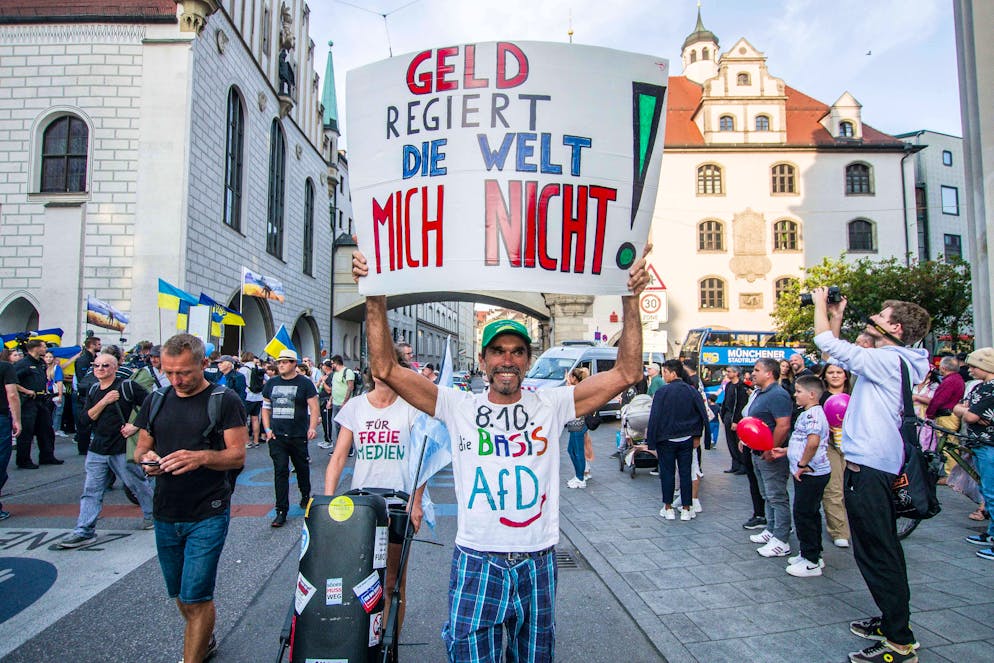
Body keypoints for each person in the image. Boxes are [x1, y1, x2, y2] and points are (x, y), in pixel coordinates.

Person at [352, 245, 649, 662]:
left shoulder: (552, 404)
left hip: (537, 560)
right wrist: (375, 294)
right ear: (483, 358)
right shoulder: (458, 407)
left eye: (516, 351)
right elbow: (385, 368)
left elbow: (627, 372)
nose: (507, 360)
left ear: (527, 360)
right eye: (498, 351)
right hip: (478, 560)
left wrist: (630, 298)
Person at [813, 287, 930, 663]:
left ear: (894, 326)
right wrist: (836, 314)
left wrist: (819, 305)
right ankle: (891, 620)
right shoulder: (896, 359)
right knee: (881, 550)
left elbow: (825, 343)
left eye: (881, 315)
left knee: (878, 554)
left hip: (871, 470)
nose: (875, 317)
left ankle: (899, 641)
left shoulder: (890, 359)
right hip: (876, 466)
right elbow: (833, 350)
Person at [133, 333, 247, 663]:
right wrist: (148, 460)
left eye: (184, 372)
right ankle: (204, 636)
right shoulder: (156, 399)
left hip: (208, 510)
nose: (176, 380)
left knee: (196, 597)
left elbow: (237, 455)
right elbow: (141, 447)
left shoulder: (224, 400)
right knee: (181, 596)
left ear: (204, 364)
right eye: (169, 372)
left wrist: (200, 457)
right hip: (166, 511)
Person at [324, 369, 426, 639]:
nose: (381, 371)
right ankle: (362, 640)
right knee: (358, 579)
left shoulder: (410, 408)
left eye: (387, 364)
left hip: (398, 503)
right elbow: (338, 457)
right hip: (362, 505)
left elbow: (423, 458)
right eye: (376, 365)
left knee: (393, 582)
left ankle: (388, 645)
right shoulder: (356, 406)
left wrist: (416, 502)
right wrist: (327, 500)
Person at [57, 352, 154, 548]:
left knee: (136, 483)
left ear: (115, 368)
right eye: (97, 366)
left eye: (105, 366)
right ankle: (84, 530)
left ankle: (152, 515)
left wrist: (134, 426)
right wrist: (104, 401)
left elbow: (151, 405)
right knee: (91, 490)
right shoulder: (94, 390)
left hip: (120, 447)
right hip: (98, 448)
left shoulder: (127, 386)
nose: (100, 369)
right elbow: (85, 420)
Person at [772, 375, 831, 577]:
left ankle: (811, 561)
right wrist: (786, 451)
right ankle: (812, 552)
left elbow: (813, 442)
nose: (795, 395)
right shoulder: (808, 413)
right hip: (807, 472)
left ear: (812, 394)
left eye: (798, 391)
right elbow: (802, 441)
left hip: (810, 473)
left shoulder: (814, 415)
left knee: (804, 514)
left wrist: (802, 465)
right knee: (810, 513)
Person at [261, 348, 319, 527]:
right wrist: (267, 429)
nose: (281, 365)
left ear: (294, 364)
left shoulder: (305, 383)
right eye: (279, 362)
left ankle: (304, 494)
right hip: (277, 436)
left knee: (302, 468)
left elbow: (314, 406)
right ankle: (281, 511)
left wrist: (312, 427)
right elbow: (265, 407)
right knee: (280, 471)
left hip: (297, 434)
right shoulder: (271, 383)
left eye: (285, 362)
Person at [647, 359, 711, 521]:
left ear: (673, 373)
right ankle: (686, 509)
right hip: (686, 438)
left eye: (665, 372)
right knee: (685, 473)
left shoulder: (662, 392)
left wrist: (651, 441)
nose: (664, 375)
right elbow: (701, 414)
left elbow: (654, 418)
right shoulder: (691, 391)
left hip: (666, 439)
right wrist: (699, 435)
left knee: (667, 473)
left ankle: (668, 508)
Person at [742, 357, 793, 557]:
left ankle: (781, 538)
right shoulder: (762, 393)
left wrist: (772, 448)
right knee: (767, 494)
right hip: (757, 452)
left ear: (769, 373)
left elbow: (783, 425)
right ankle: (771, 529)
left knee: (776, 496)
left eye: (756, 370)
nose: (752, 373)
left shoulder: (777, 395)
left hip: (771, 455)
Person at [953, 347, 994, 561]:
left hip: (988, 445)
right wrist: (966, 411)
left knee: (991, 492)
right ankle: (991, 533)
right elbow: (966, 410)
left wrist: (966, 412)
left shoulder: (990, 390)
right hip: (980, 444)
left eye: (974, 366)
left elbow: (969, 416)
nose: (969, 369)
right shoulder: (981, 388)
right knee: (987, 490)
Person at [818, 363, 852, 548]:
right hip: (829, 444)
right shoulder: (821, 397)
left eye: (839, 372)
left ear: (845, 375)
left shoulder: (856, 395)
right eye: (831, 372)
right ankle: (839, 530)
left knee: (854, 488)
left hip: (854, 445)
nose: (835, 375)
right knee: (833, 487)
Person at [14, 340, 62, 468]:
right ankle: (23, 460)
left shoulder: (41, 363)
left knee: (46, 430)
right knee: (27, 432)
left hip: (41, 400)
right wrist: (26, 391)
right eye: (44, 347)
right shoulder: (23, 364)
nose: (45, 349)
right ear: (35, 348)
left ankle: (47, 456)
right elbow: (13, 382)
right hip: (28, 401)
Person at [0, 349, 23, 520]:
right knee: (1, 461)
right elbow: (12, 394)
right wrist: (17, 419)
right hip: (1, 418)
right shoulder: (5, 367)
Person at [73, 335, 102, 454]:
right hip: (84, 395)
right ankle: (83, 448)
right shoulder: (83, 360)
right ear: (92, 345)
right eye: (98, 344)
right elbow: (83, 380)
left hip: (94, 393)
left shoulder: (97, 359)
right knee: (84, 422)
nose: (100, 346)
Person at [720, 366, 749, 475]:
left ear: (736, 373)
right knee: (730, 441)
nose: (727, 373)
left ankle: (743, 465)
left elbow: (740, 404)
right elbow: (725, 400)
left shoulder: (741, 387)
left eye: (729, 371)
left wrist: (736, 420)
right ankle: (735, 464)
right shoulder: (728, 385)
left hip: (736, 417)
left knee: (738, 441)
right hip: (728, 415)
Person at [564, 367, 590, 489]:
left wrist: (568, 385)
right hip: (574, 423)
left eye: (570, 377)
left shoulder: (577, 389)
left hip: (578, 423)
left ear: (574, 378)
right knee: (571, 450)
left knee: (578, 451)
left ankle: (580, 478)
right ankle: (578, 475)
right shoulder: (576, 388)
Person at [326, 354, 356, 452]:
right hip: (335, 403)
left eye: (332, 364)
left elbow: (350, 387)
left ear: (336, 363)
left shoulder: (348, 372)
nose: (331, 366)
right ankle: (340, 448)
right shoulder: (335, 374)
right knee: (337, 426)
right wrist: (330, 401)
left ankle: (349, 449)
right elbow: (334, 389)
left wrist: (345, 402)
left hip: (345, 404)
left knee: (346, 427)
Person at [239, 351, 265, 449]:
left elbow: (241, 382)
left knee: (244, 419)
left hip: (248, 396)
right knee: (255, 419)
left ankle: (247, 441)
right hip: (258, 397)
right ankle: (256, 441)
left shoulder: (243, 369)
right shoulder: (259, 368)